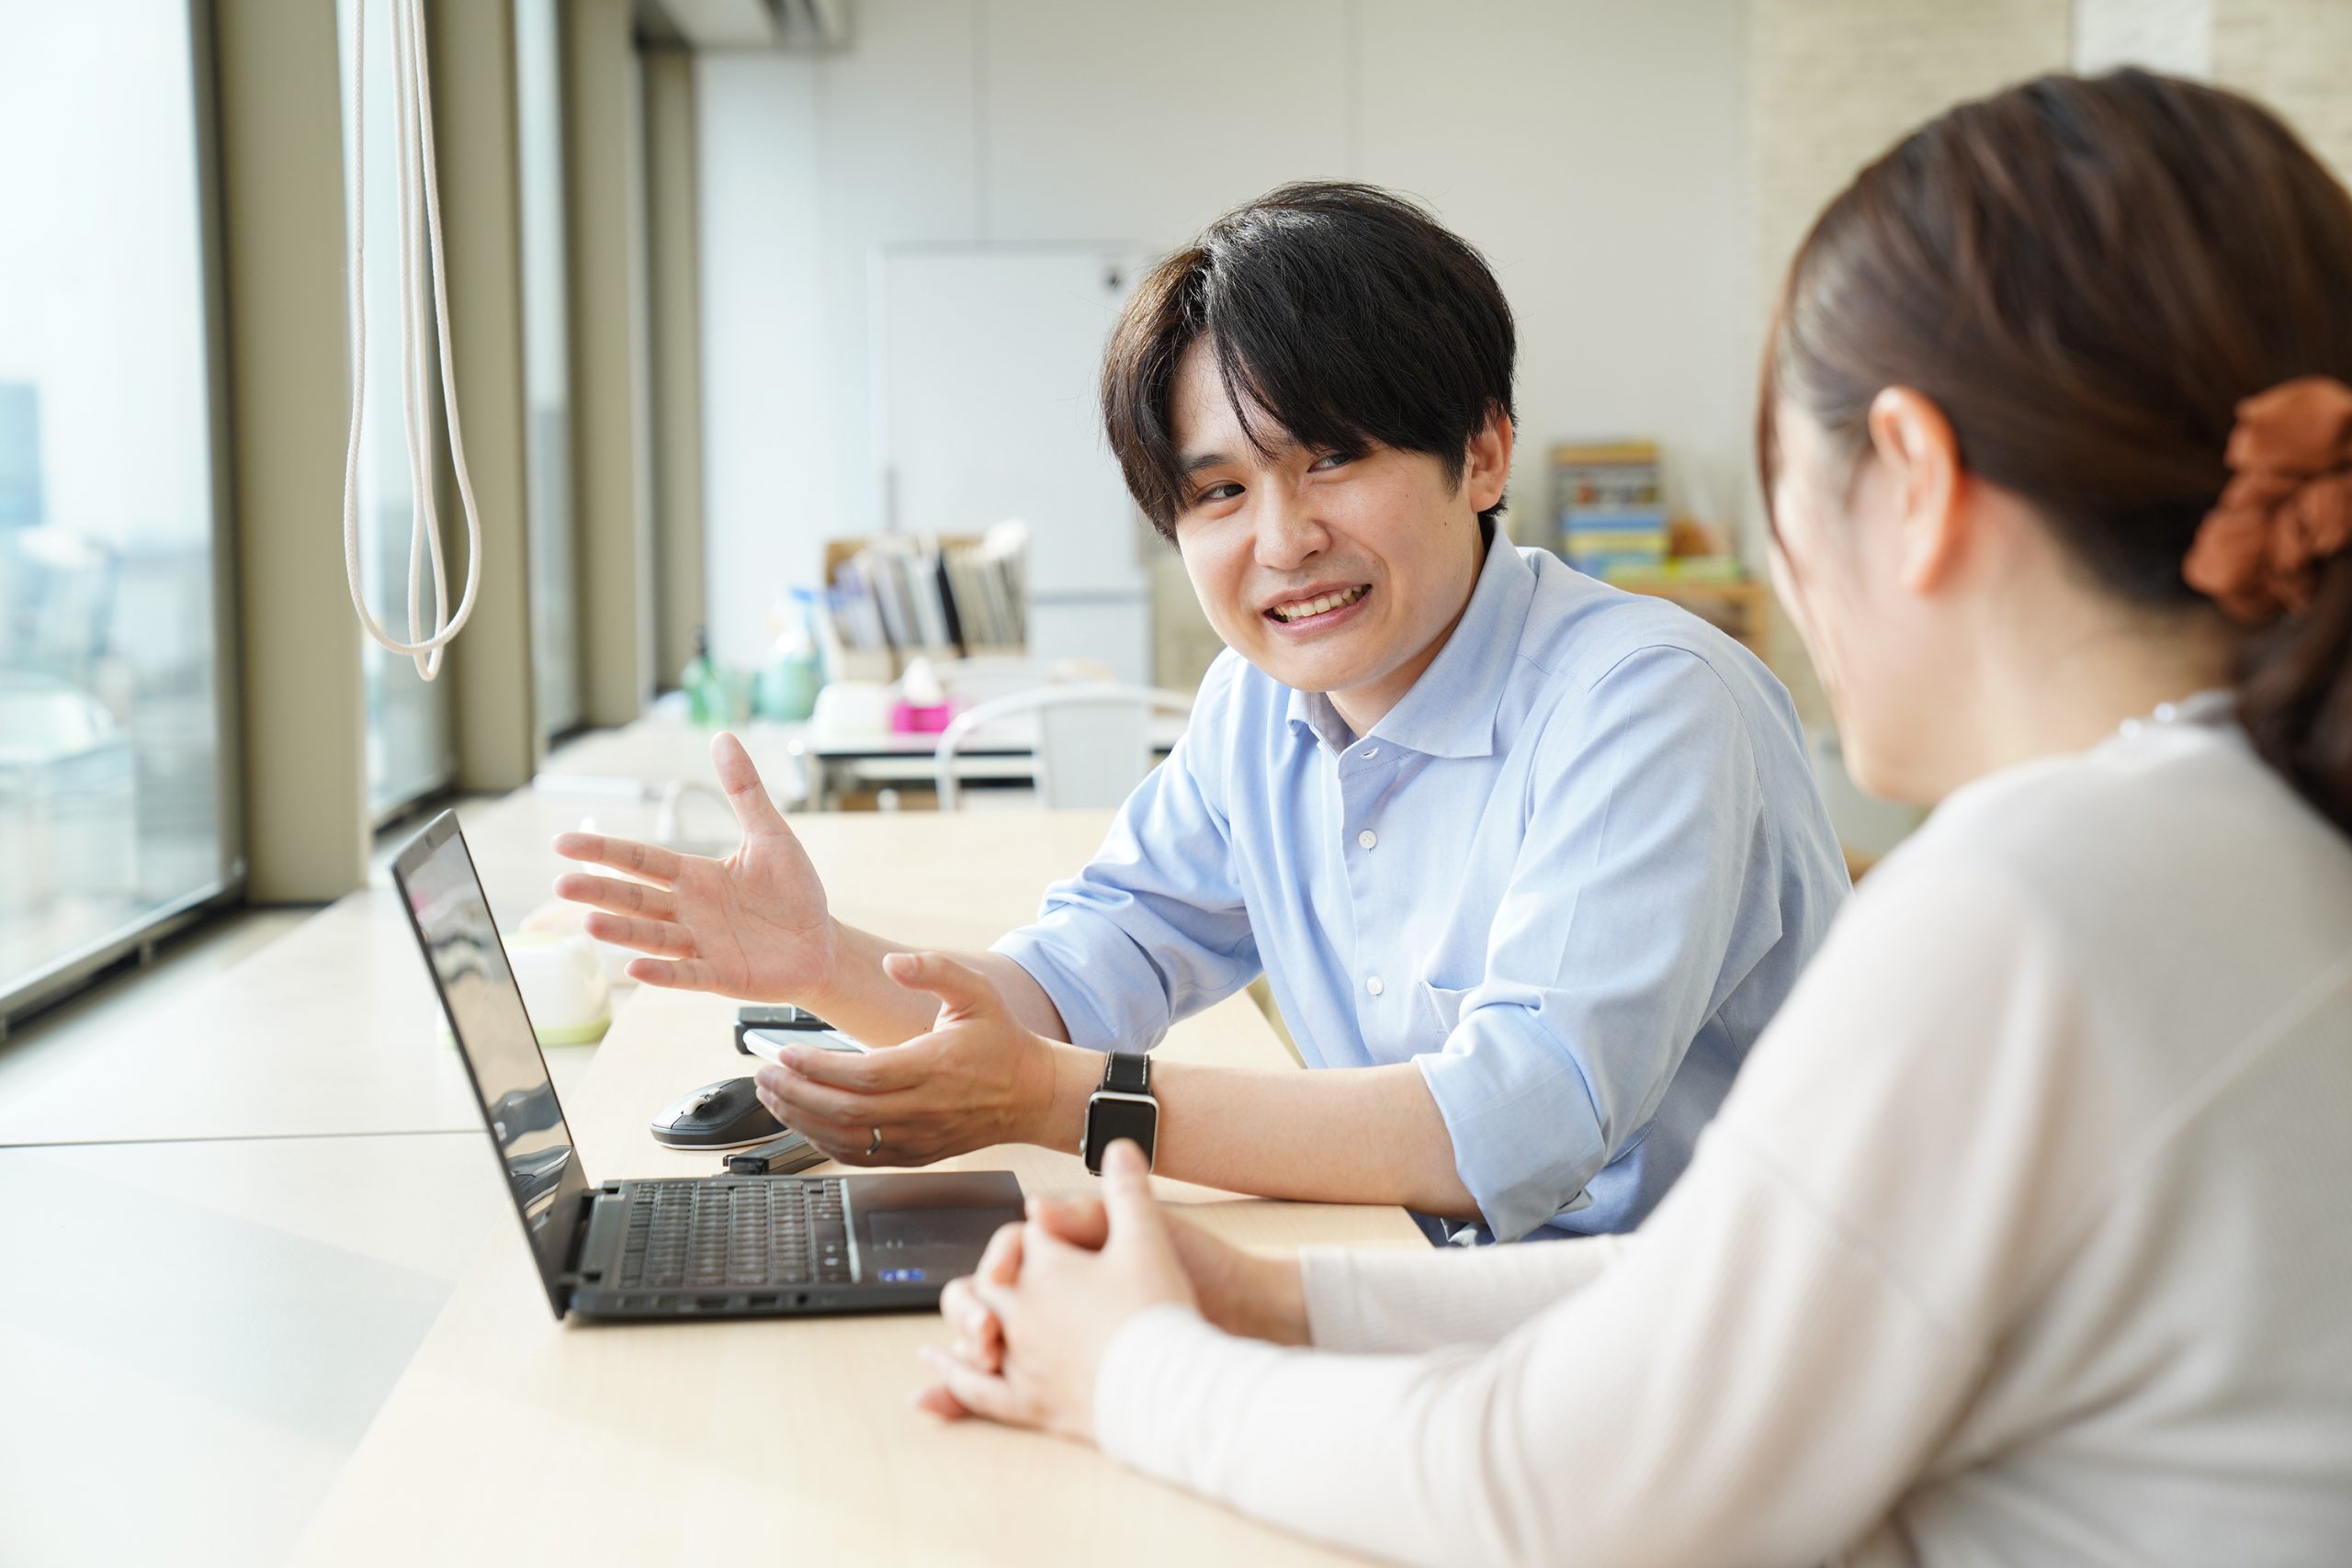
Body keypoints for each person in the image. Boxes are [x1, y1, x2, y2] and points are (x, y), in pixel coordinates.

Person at [914, 70, 2352, 1565]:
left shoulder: (2038, 899)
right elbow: (1742, 1289)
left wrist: (1136, 1374)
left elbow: (1568, 1499)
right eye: (1216, 491)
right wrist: (1273, 1299)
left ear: (1908, 479)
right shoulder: (2245, 831)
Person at [555, 183, 1847, 1241]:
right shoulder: (1258, 707)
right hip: (1450, 1300)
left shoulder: (1647, 704)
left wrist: (1077, 1105)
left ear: (1486, 452)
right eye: (1220, 492)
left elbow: (1518, 1125)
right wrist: (824, 964)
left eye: (1332, 457)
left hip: (1697, 1370)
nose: (1284, 539)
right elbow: (1081, 976)